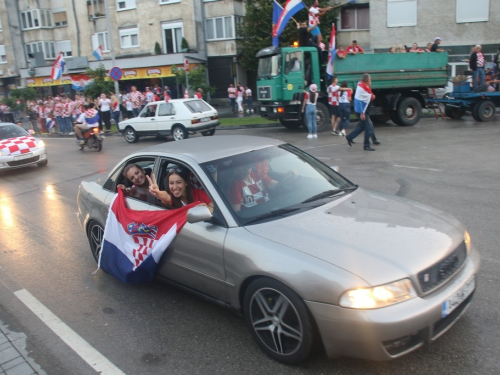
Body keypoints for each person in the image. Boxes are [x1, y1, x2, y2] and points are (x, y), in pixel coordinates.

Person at [147, 167, 214, 213]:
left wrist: (207, 209)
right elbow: (165, 196)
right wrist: (158, 193)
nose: (174, 187)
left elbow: (215, 209)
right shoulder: (172, 198)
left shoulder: (199, 193)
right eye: (171, 183)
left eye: (178, 182)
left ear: (186, 183)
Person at [346, 73, 380, 151]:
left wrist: (371, 96)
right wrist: (362, 113)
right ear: (367, 80)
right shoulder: (361, 88)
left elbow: (367, 95)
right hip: (362, 111)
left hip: (364, 111)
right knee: (368, 127)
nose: (371, 82)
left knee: (363, 126)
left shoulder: (363, 87)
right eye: (370, 80)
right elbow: (358, 101)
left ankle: (350, 137)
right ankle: (366, 145)